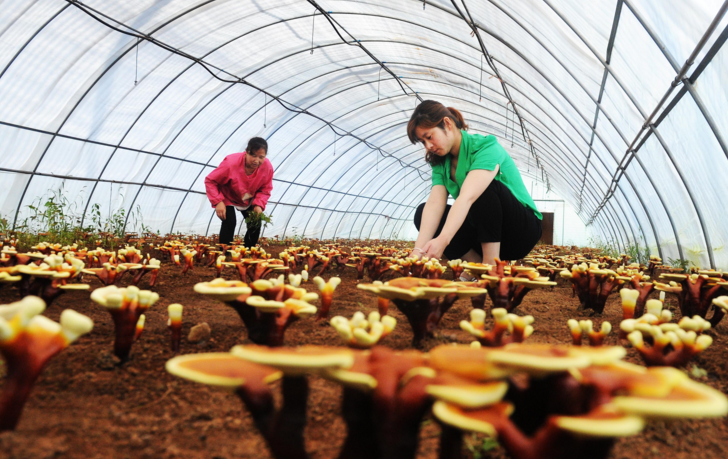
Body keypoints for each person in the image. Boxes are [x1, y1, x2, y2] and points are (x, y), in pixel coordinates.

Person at [407, 100, 542, 268]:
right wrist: (418, 251)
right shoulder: (441, 162)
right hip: (483, 231)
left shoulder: (485, 147)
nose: (428, 146)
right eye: (423, 142)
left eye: (429, 137)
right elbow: (435, 203)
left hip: (519, 232)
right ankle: (476, 264)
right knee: (423, 211)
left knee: (482, 189)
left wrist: (443, 239)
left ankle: (490, 266)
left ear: (447, 124)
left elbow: (468, 197)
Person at [205, 137, 273, 247]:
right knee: (229, 221)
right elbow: (211, 181)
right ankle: (224, 253)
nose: (257, 160)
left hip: (249, 198)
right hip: (228, 195)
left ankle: (249, 251)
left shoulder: (267, 167)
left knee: (255, 222)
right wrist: (218, 201)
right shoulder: (231, 163)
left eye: (261, 157)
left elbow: (265, 189)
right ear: (246, 152)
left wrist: (258, 205)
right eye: (253, 155)